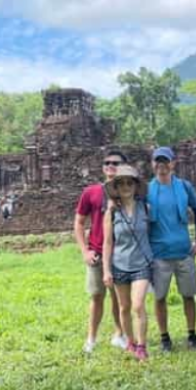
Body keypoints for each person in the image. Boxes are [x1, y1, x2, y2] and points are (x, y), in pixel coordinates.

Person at [147, 146, 196, 352]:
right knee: (159, 296)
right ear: (153, 165)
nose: (162, 167)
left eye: (165, 162)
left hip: (183, 250)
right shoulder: (147, 189)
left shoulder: (183, 186)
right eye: (158, 162)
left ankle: (192, 334)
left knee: (188, 295)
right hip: (159, 252)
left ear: (172, 164)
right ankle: (164, 337)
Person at [74, 151, 129, 354]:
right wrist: (85, 251)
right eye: (107, 163)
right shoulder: (91, 192)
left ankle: (120, 334)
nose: (110, 166)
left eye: (115, 163)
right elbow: (79, 223)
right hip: (96, 252)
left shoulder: (129, 191)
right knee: (97, 296)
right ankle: (91, 338)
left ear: (124, 166)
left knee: (120, 299)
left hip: (122, 252)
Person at [102, 166, 153, 361]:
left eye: (129, 183)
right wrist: (106, 270)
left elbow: (151, 232)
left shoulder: (146, 208)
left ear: (135, 186)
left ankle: (142, 345)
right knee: (123, 307)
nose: (125, 187)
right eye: (121, 183)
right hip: (120, 263)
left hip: (142, 262)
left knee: (138, 305)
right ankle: (130, 341)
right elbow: (108, 242)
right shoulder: (112, 212)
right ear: (116, 187)